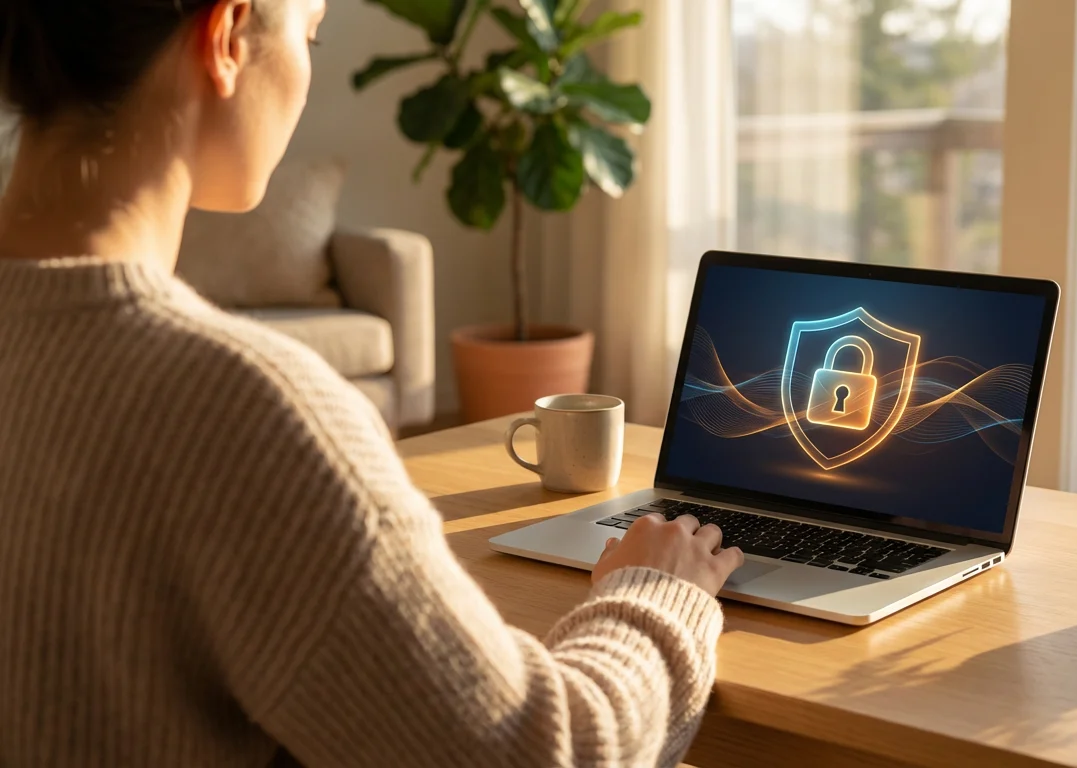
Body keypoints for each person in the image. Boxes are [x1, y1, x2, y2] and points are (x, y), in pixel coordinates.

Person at [0, 0, 744, 765]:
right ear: (226, 37)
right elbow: (547, 753)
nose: (307, 74)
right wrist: (659, 592)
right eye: (310, 34)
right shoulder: (240, 410)